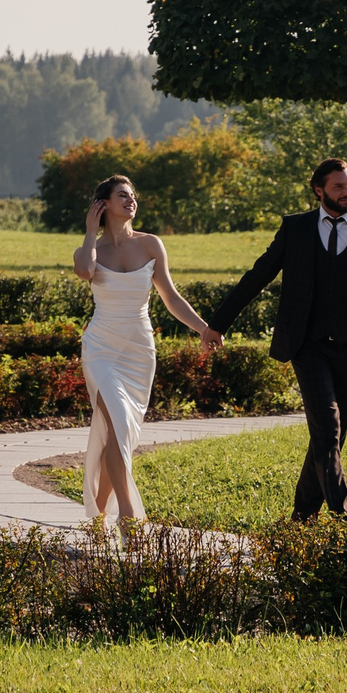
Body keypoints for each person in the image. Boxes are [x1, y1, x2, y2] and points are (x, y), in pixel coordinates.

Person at [205, 158, 347, 519]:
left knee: (330, 440)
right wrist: (218, 324)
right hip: (307, 347)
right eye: (339, 186)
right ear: (319, 190)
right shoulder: (295, 229)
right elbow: (257, 276)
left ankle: (302, 518)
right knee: (327, 429)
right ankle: (343, 516)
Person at [73, 174, 221, 526]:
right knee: (119, 425)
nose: (131, 200)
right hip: (101, 348)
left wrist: (203, 329)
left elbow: (171, 297)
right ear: (103, 204)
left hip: (139, 350)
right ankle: (127, 516)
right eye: (122, 195)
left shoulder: (151, 244)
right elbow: (84, 272)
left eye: (133, 195)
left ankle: (97, 510)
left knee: (119, 434)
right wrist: (91, 232)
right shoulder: (90, 250)